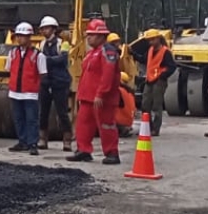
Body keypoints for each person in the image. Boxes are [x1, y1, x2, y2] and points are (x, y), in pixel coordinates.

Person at [67, 18, 121, 165]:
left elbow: (108, 75)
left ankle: (112, 153)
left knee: (106, 124)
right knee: (83, 125)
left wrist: (101, 93)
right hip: (87, 97)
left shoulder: (107, 51)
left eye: (91, 34)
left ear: (101, 36)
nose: (88, 37)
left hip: (101, 98)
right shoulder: (92, 53)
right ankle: (83, 150)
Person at [6, 22, 46, 155]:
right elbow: (9, 70)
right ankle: (22, 141)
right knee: (18, 119)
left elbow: (43, 74)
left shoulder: (38, 55)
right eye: (18, 36)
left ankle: (32, 143)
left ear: (29, 37)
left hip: (30, 93)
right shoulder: (12, 53)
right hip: (15, 93)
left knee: (31, 119)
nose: (19, 39)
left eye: (23, 36)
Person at [37, 15, 73, 151]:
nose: (44, 31)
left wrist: (46, 60)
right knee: (43, 112)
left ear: (53, 29)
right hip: (46, 81)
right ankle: (42, 139)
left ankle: (67, 140)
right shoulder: (41, 44)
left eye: (46, 28)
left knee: (62, 112)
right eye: (43, 28)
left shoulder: (62, 43)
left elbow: (63, 60)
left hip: (60, 81)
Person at [141, 28, 176, 138]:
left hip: (159, 81)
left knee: (156, 106)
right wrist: (132, 53)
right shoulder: (150, 50)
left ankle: (155, 129)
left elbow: (172, 67)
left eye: (152, 39)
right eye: (149, 40)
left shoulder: (165, 52)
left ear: (158, 39)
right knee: (145, 105)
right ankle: (148, 127)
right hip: (149, 80)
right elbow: (144, 59)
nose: (150, 42)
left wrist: (162, 76)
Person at [117, 71, 137, 137]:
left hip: (119, 122)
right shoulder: (130, 92)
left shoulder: (119, 90)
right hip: (129, 122)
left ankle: (121, 129)